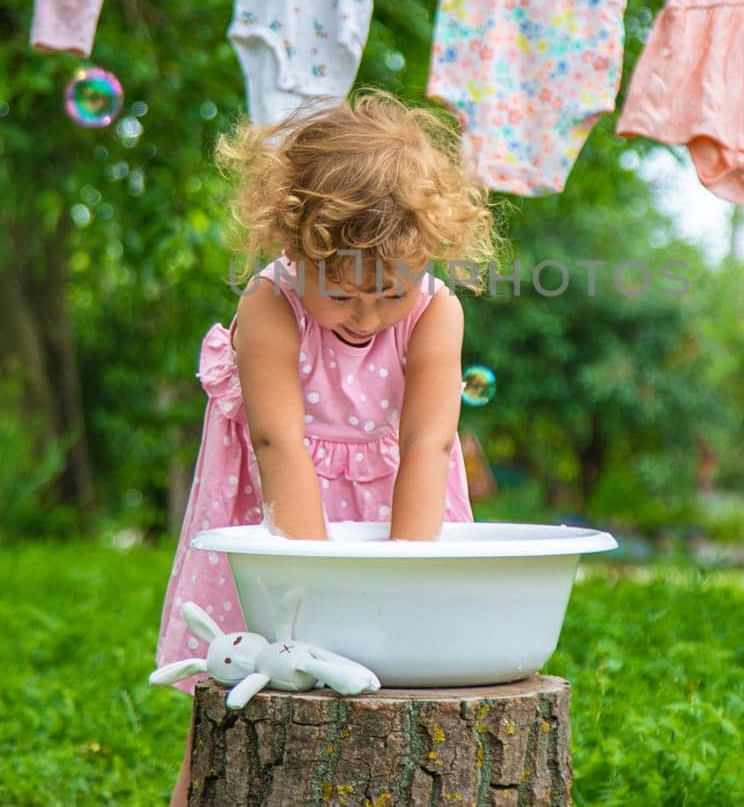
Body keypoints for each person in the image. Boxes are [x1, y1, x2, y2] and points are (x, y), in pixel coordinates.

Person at [156, 91, 496, 805]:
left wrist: (402, 584)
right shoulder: (270, 305)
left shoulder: (437, 311)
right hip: (284, 520)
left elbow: (428, 442)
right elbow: (279, 442)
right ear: (294, 249)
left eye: (388, 294)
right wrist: (306, 610)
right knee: (239, 694)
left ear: (427, 255)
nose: (365, 316)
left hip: (401, 505)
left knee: (398, 690)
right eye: (341, 295)